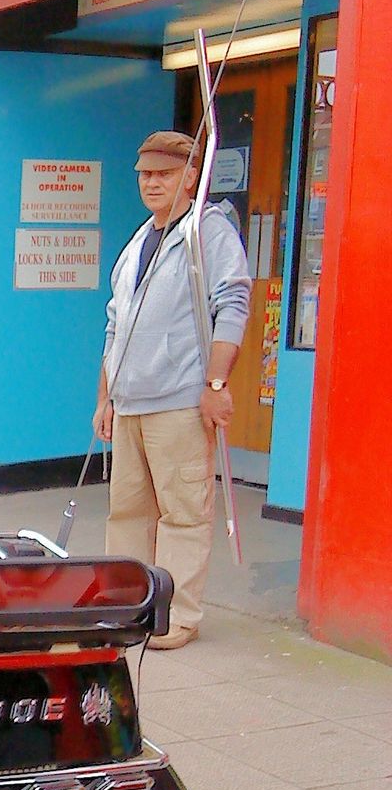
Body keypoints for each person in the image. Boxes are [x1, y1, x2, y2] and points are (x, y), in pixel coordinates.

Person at [93, 131, 251, 649]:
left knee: (183, 513)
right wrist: (105, 399)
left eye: (164, 173)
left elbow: (232, 305)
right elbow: (115, 327)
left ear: (191, 175)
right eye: (145, 173)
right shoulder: (139, 240)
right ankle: (128, 604)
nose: (152, 182)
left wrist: (216, 383)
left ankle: (176, 615)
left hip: (180, 401)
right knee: (128, 514)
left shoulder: (210, 232)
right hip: (131, 403)